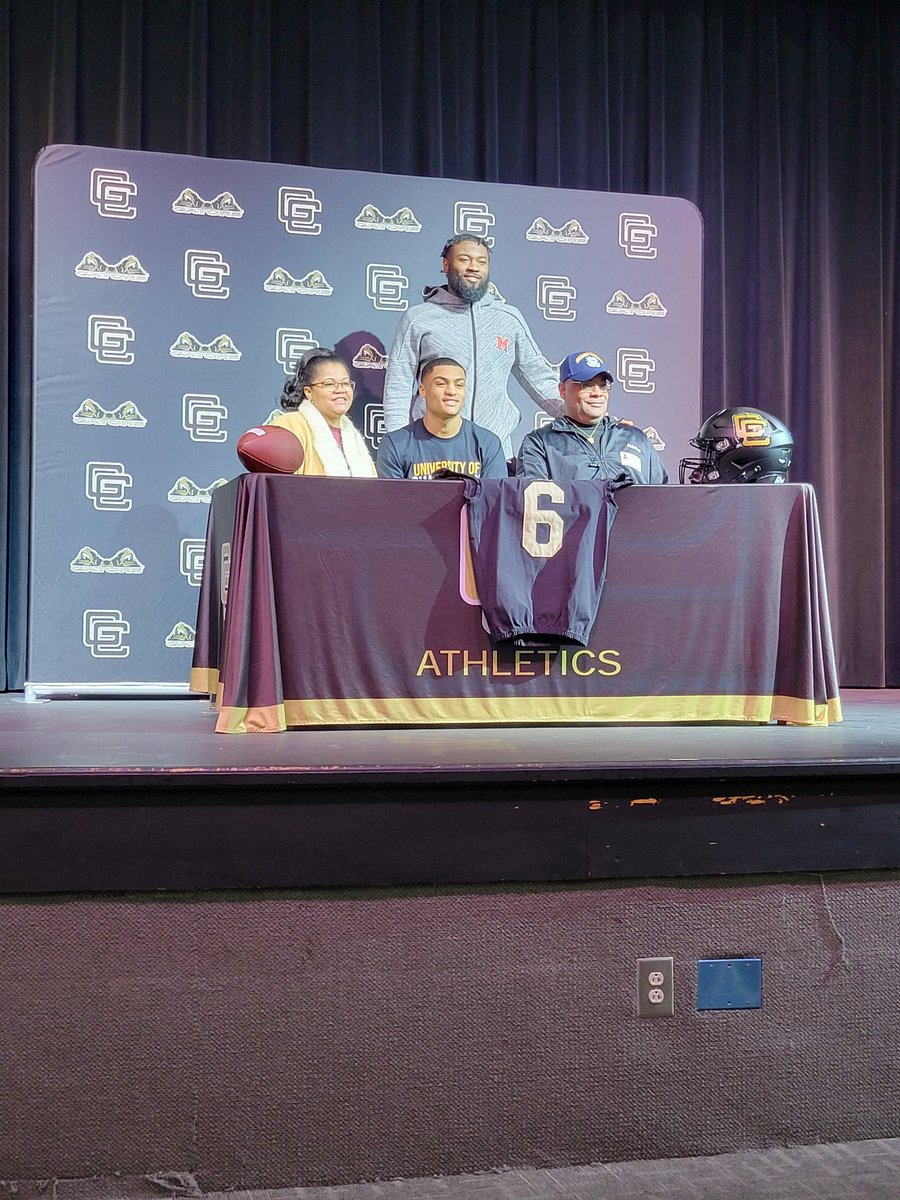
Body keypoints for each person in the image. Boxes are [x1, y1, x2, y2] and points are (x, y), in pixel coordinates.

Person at [382, 235, 561, 456]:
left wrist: (580, 418)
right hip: (433, 449)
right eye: (464, 259)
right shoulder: (419, 318)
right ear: (446, 265)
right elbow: (398, 385)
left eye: (481, 261)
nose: (474, 267)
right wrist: (398, 446)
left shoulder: (509, 318)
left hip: (496, 452)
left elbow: (538, 377)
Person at [516, 351, 668, 484]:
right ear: (562, 390)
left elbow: (662, 498)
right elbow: (535, 501)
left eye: (603, 385)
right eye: (587, 385)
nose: (597, 393)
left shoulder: (636, 438)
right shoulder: (540, 443)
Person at [376, 357, 508, 480]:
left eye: (459, 385)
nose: (451, 391)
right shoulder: (395, 444)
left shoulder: (488, 443)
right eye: (441, 384)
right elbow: (393, 497)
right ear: (422, 390)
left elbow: (495, 496)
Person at [270, 348, 377, 476]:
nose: (340, 390)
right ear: (308, 392)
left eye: (345, 383)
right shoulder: (289, 426)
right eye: (329, 384)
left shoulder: (354, 436)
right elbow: (279, 483)